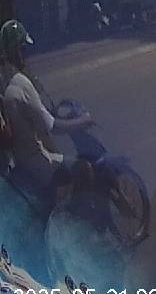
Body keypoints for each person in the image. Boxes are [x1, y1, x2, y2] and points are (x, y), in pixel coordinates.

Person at [0, 20, 93, 214]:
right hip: (38, 163)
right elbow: (53, 127)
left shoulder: (6, 82)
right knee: (84, 168)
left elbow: (33, 114)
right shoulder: (21, 83)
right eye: (24, 49)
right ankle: (77, 220)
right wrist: (83, 121)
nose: (27, 54)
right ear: (18, 51)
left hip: (21, 162)